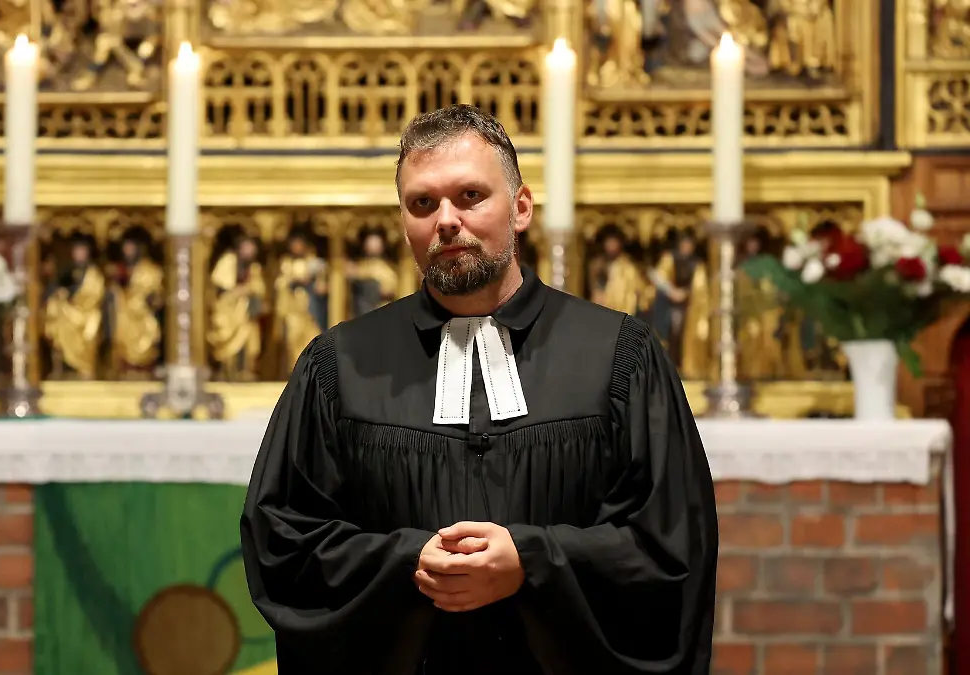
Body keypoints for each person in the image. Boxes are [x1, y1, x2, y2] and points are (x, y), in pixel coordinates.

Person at [240, 104, 718, 675]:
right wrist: (406, 562)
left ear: (520, 208)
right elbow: (282, 541)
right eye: (423, 203)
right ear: (403, 222)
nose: (446, 220)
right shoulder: (338, 365)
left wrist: (533, 562)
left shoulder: (619, 355)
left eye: (470, 196)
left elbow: (670, 546)